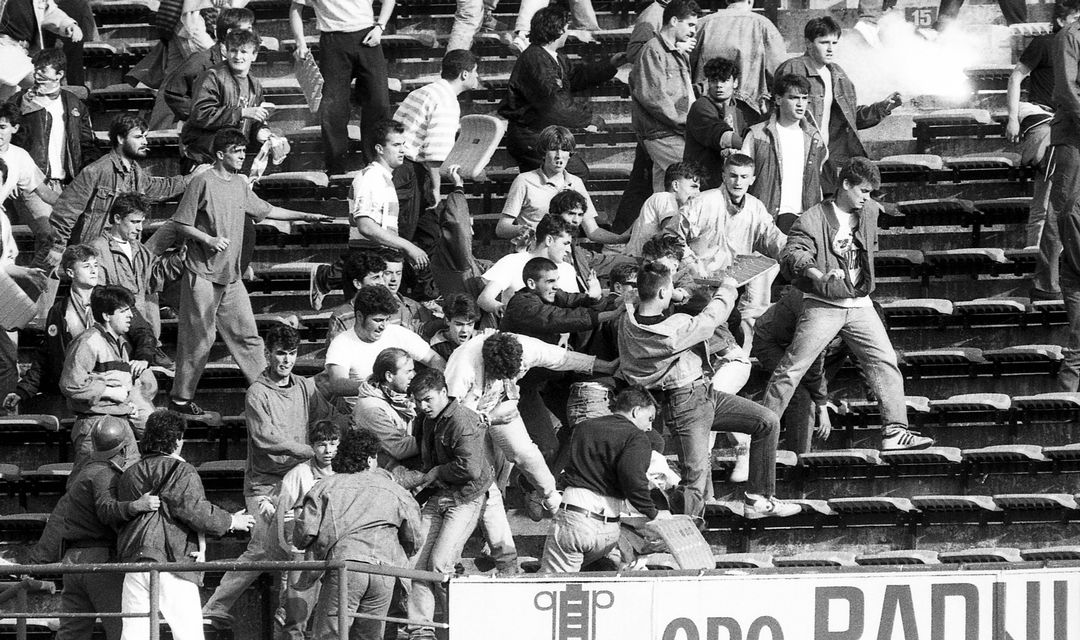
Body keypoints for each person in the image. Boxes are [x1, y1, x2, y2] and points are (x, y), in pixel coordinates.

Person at [764, 157, 935, 451]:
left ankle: (895, 432)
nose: (866, 198)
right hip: (823, 303)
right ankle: (762, 430)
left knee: (885, 361)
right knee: (792, 369)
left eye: (870, 193)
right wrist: (817, 274)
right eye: (863, 191)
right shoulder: (811, 218)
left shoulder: (869, 211)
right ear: (845, 185)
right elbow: (793, 253)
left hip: (859, 302)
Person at [167, 128, 331, 417]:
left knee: (248, 337)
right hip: (202, 274)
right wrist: (209, 240)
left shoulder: (241, 184)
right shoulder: (202, 182)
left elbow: (266, 210)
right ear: (221, 154)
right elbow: (180, 223)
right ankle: (180, 400)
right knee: (198, 340)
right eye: (237, 151)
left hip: (230, 277)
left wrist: (305, 215)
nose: (243, 156)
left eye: (244, 151)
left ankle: (271, 393)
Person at [618, 261, 798, 518]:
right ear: (661, 293)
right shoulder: (669, 332)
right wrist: (727, 288)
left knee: (766, 422)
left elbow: (638, 298)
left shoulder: (628, 318)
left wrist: (677, 292)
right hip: (683, 401)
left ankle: (758, 498)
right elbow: (711, 318)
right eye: (670, 289)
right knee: (695, 479)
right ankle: (688, 531)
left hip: (703, 392)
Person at [201, 323, 338, 628]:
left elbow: (324, 419)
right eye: (280, 354)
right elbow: (266, 441)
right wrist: (308, 451)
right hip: (265, 485)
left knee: (300, 548)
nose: (286, 360)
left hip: (301, 481)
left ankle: (288, 616)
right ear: (267, 354)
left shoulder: (305, 386)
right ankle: (214, 607)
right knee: (262, 549)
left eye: (291, 353)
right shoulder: (257, 393)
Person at [444, 331, 617, 518]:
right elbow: (451, 418)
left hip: (501, 404)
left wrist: (607, 367)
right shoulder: (462, 366)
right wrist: (488, 419)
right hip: (469, 419)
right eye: (498, 375)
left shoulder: (527, 347)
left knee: (528, 455)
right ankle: (488, 521)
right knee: (484, 474)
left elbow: (562, 358)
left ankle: (551, 500)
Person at [116, 410, 255, 640]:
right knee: (188, 634)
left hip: (135, 561)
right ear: (178, 440)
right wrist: (232, 521)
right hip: (173, 562)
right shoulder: (182, 471)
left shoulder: (129, 474)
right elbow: (196, 512)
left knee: (134, 634)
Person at [295, 427, 421, 640]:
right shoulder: (397, 491)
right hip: (384, 572)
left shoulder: (324, 487)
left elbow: (303, 536)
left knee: (330, 636)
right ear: (371, 460)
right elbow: (415, 537)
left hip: (345, 569)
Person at [540, 387, 671, 573]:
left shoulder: (583, 428)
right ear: (636, 411)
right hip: (608, 530)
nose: (650, 427)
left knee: (553, 587)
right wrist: (653, 512)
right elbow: (633, 480)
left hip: (576, 518)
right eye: (650, 419)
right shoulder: (637, 437)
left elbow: (570, 469)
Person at [40, 113, 197, 269]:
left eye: (145, 136)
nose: (145, 142)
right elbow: (65, 211)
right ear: (121, 139)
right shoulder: (96, 171)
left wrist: (190, 178)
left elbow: (158, 187)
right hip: (95, 253)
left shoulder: (135, 170)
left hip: (122, 250)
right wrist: (57, 247)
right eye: (138, 137)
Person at [407, 369, 495, 639]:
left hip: (466, 497)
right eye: (418, 401)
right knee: (416, 565)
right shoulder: (427, 419)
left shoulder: (461, 420)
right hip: (440, 495)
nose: (422, 406)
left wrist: (435, 473)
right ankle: (420, 630)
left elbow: (469, 468)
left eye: (428, 399)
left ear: (444, 393)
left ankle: (461, 627)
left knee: (440, 564)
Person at [666, 153, 787, 347]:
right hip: (699, 280)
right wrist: (690, 263)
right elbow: (671, 236)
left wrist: (793, 253)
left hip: (735, 278)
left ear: (752, 179)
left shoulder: (756, 207)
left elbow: (774, 237)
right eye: (733, 175)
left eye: (744, 177)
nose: (738, 182)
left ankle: (744, 354)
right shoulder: (703, 201)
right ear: (723, 175)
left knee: (761, 282)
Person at [56, 418, 160, 640]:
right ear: (123, 448)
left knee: (72, 632)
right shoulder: (105, 473)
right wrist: (136, 505)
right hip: (99, 561)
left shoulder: (84, 471)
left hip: (73, 561)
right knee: (122, 630)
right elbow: (106, 510)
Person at [309, 120, 428, 311]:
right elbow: (365, 225)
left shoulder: (383, 178)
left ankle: (328, 277)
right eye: (396, 145)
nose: (402, 150)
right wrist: (407, 246)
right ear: (380, 148)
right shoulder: (371, 178)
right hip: (365, 260)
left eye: (403, 145)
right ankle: (327, 276)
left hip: (378, 256)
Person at [1006, 0, 1080, 301]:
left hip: (1063, 124)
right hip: (1048, 118)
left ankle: (1049, 277)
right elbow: (1016, 76)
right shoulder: (1050, 41)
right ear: (1062, 20)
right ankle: (1046, 279)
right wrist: (1011, 117)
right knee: (1055, 202)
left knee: (1057, 204)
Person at [775, 17, 901, 192]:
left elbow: (849, 117)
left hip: (830, 159)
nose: (830, 48)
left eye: (834, 42)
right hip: (797, 154)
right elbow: (776, 114)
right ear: (808, 43)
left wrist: (882, 108)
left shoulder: (837, 73)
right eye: (824, 42)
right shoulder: (793, 68)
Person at [497, 5, 622, 174]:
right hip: (531, 134)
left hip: (537, 133)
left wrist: (611, 64)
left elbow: (576, 77)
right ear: (557, 29)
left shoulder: (551, 55)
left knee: (552, 180)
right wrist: (588, 118)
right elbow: (555, 105)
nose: (567, 31)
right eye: (566, 27)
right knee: (575, 173)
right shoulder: (536, 59)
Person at [290, 0, 393, 172]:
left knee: (379, 101)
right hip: (333, 41)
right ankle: (336, 168)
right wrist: (300, 43)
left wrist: (380, 27)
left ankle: (375, 164)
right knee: (333, 109)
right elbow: (295, 8)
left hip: (367, 36)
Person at [59, 284, 146, 482]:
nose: (131, 316)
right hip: (94, 426)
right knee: (84, 486)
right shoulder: (88, 341)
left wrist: (125, 404)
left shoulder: (120, 343)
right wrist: (108, 392)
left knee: (131, 483)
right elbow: (71, 384)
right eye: (124, 312)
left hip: (120, 423)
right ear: (107, 315)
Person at [393, 49, 480, 231]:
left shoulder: (422, 91)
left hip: (396, 165)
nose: (477, 76)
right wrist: (435, 189)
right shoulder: (447, 101)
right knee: (405, 232)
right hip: (410, 172)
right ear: (465, 74)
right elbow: (435, 153)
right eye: (475, 71)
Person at [752, 287, 845, 454]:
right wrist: (822, 405)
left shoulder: (857, 313)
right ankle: (798, 456)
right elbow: (813, 365)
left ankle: (819, 394)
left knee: (843, 349)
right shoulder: (824, 317)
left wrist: (871, 393)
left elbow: (864, 357)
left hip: (795, 342)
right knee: (800, 393)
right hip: (769, 340)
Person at [496, 126, 626, 244]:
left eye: (564, 150)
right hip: (534, 251)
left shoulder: (575, 182)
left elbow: (593, 231)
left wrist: (622, 238)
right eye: (553, 150)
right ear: (543, 153)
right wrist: (526, 230)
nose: (559, 156)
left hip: (565, 252)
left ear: (570, 154)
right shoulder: (524, 180)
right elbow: (502, 228)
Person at [89, 194, 179, 361]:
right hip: (116, 332)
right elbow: (98, 294)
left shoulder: (140, 249)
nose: (140, 228)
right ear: (117, 218)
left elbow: (153, 281)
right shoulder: (98, 248)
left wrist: (178, 260)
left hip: (141, 331)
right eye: (134, 222)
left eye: (142, 222)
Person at [323, 285, 446, 404]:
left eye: (387, 319)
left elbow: (434, 359)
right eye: (378, 320)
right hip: (365, 410)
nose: (384, 326)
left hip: (406, 407)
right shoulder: (342, 342)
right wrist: (379, 387)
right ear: (360, 316)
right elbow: (337, 384)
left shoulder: (397, 332)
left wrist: (427, 387)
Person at [275, 419, 340, 640]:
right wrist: (295, 550)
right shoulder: (298, 474)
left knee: (331, 619)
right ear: (312, 446)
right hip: (305, 554)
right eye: (322, 444)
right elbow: (285, 516)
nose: (328, 450)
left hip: (335, 551)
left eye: (333, 443)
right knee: (296, 616)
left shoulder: (345, 474)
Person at [742, 73, 827, 234]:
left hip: (804, 219)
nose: (801, 104)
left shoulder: (814, 137)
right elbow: (741, 176)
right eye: (794, 98)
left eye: (804, 98)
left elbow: (817, 181)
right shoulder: (757, 134)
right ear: (779, 100)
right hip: (765, 219)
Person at [630, 0, 700, 194]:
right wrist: (688, 123)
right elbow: (653, 97)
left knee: (664, 194)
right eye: (690, 24)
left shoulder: (676, 51)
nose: (694, 31)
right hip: (662, 133)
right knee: (691, 181)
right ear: (675, 21)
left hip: (669, 132)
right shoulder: (653, 50)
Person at [8, 48, 98, 195]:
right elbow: (7, 143)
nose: (37, 75)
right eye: (35, 70)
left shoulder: (74, 104)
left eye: (43, 70)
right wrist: (9, 177)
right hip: (31, 185)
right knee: (43, 218)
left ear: (59, 74)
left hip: (68, 184)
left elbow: (87, 144)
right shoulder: (18, 101)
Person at [180, 28, 272, 165]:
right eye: (233, 51)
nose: (237, 56)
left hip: (230, 159)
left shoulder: (255, 84)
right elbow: (201, 114)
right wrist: (241, 112)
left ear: (254, 55)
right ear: (226, 52)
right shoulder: (213, 76)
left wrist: (261, 133)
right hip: (204, 158)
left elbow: (252, 121)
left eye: (244, 52)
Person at [158, 7, 255, 129]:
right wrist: (199, 116)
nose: (252, 33)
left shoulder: (243, 61)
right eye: (248, 29)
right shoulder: (201, 60)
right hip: (201, 137)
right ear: (231, 32)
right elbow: (173, 92)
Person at [1051, 2, 1080, 392]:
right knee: (1071, 211)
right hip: (1075, 136)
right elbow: (1068, 91)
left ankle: (1070, 381)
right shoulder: (1070, 36)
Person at [690, 0, 786, 116]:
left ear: (726, 0)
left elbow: (686, 66)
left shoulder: (702, 24)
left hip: (706, 105)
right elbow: (780, 71)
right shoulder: (763, 24)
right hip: (748, 108)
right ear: (751, 1)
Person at [684, 57, 763, 188]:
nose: (719, 85)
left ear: (735, 83)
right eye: (714, 81)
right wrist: (749, 145)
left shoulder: (739, 111)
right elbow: (718, 133)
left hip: (728, 181)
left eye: (724, 80)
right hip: (702, 181)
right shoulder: (701, 106)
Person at [479, 214, 580, 316]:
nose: (569, 250)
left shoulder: (568, 270)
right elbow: (485, 299)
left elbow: (575, 309)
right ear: (549, 240)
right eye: (565, 244)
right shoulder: (512, 262)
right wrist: (503, 309)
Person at [0, 101, 61, 257]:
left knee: (49, 234)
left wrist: (75, 204)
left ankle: (37, 279)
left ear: (14, 128)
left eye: (2, 127)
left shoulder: (19, 156)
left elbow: (44, 192)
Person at [0, 0, 80, 96]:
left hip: (21, 52)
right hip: (4, 49)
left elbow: (48, 10)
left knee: (9, 99)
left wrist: (68, 24)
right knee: (42, 85)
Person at [625, 162, 702, 259]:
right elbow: (672, 235)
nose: (698, 193)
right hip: (642, 263)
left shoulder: (661, 201)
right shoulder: (665, 197)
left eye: (699, 188)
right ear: (675, 185)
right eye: (694, 187)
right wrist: (693, 259)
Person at [324, 249, 387, 347]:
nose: (382, 282)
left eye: (382, 276)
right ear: (357, 283)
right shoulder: (342, 316)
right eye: (376, 277)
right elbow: (336, 355)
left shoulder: (393, 310)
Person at [381, 249, 436, 335]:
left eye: (398, 273)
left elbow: (430, 327)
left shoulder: (414, 306)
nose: (394, 279)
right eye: (388, 273)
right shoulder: (369, 307)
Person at [430, 293, 479, 361]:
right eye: (459, 324)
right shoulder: (436, 347)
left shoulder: (481, 339)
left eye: (470, 324)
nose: (464, 330)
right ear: (447, 321)